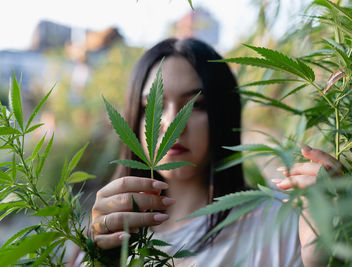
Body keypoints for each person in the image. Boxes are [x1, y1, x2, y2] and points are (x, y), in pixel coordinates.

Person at [72, 38, 323, 266]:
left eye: (197, 105)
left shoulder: (280, 223)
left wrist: (319, 257)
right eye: (153, 106)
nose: (173, 124)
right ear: (135, 119)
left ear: (223, 115)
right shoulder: (109, 233)